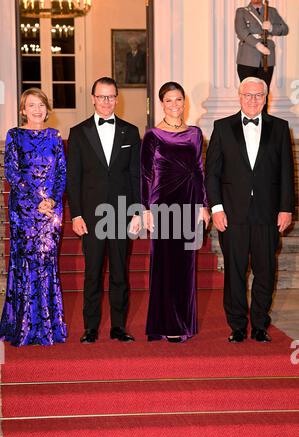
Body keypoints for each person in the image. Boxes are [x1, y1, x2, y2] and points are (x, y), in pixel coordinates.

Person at [205, 77, 294, 343]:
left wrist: (286, 208)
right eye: (248, 95)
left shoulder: (279, 128)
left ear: (266, 98)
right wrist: (217, 208)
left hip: (267, 213)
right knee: (235, 271)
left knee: (265, 270)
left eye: (258, 95)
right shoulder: (222, 128)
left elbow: (287, 173)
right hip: (232, 213)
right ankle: (237, 325)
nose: (253, 100)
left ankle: (259, 324)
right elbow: (212, 174)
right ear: (239, 96)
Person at [67, 77, 141, 343]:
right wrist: (75, 214)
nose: (107, 102)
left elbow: (135, 175)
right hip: (91, 216)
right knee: (93, 272)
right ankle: (91, 327)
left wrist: (136, 212)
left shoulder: (131, 132)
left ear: (117, 99)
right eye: (102, 97)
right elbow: (73, 179)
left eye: (111, 97)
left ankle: (119, 327)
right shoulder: (78, 132)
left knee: (121, 272)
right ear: (93, 98)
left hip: (122, 213)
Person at [141, 81, 210, 343]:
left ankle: (184, 322)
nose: (174, 105)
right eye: (169, 100)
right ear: (162, 104)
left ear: (184, 102)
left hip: (189, 203)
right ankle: (165, 322)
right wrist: (146, 208)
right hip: (163, 205)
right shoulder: (152, 135)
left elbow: (200, 170)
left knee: (186, 266)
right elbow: (146, 174)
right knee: (165, 266)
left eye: (178, 99)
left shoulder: (195, 133)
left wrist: (203, 205)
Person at [0, 88, 67, 347]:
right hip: (25, 211)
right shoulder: (15, 136)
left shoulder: (54, 137)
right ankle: (23, 324)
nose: (37, 109)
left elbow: (61, 173)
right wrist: (37, 201)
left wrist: (52, 200)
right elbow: (13, 174)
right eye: (31, 105)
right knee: (26, 262)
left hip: (50, 212)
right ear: (23, 110)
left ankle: (49, 325)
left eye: (41, 104)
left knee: (47, 262)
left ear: (47, 109)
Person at [235, 0, 288, 110]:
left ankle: (264, 122)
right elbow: (241, 31)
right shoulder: (242, 12)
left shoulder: (271, 11)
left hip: (267, 59)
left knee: (263, 93)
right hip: (247, 57)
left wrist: (272, 28)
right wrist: (257, 45)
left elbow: (284, 29)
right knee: (247, 93)